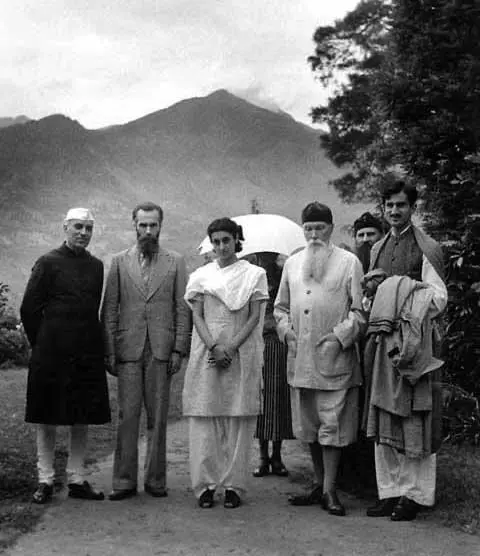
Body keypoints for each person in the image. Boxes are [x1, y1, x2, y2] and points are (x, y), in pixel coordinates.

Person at [274, 202, 365, 516]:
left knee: (332, 425)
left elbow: (360, 311)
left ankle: (330, 489)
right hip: (301, 359)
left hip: (334, 358)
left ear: (330, 228)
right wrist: (287, 332)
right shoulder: (292, 264)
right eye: (308, 228)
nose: (313, 234)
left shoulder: (349, 262)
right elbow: (280, 308)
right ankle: (318, 484)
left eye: (319, 228)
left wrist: (339, 337)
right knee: (309, 425)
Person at [364, 179, 447, 521]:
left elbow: (439, 297)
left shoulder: (427, 247)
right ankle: (390, 490)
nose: (394, 210)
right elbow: (369, 298)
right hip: (385, 342)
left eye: (400, 204)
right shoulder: (377, 248)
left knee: (415, 416)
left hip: (415, 343)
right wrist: (374, 293)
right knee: (385, 410)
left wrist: (400, 295)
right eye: (389, 205)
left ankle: (416, 494)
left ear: (413, 208)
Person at [20, 207, 110, 504]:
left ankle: (77, 479)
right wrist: (43, 342)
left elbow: (92, 309)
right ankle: (45, 480)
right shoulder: (47, 262)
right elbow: (29, 309)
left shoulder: (96, 266)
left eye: (88, 228)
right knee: (47, 417)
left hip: (85, 351)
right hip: (51, 351)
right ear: (65, 227)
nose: (83, 233)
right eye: (78, 227)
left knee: (80, 417)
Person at [102, 202, 190, 500]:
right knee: (127, 416)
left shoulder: (176, 262)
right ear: (134, 225)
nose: (148, 231)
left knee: (159, 417)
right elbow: (110, 309)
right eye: (143, 225)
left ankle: (156, 481)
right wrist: (109, 350)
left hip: (161, 349)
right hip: (128, 349)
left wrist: (179, 348)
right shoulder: (117, 261)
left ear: (161, 226)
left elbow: (182, 307)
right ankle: (124, 481)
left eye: (153, 225)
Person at [183, 217, 268, 509]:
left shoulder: (254, 274)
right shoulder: (200, 276)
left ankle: (234, 485)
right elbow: (196, 315)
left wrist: (230, 348)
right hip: (207, 351)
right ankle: (205, 485)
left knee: (238, 418)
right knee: (205, 417)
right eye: (216, 241)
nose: (221, 247)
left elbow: (255, 316)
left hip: (239, 351)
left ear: (236, 240)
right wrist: (214, 346)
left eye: (226, 240)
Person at [253, 252, 294, 478]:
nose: (265, 258)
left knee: (278, 399)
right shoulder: (251, 276)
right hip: (257, 343)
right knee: (260, 398)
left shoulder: (284, 277)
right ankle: (262, 456)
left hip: (278, 343)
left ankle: (277, 455)